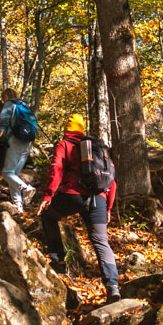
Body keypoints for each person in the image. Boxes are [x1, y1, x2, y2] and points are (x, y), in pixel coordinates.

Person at [38, 113, 120, 302]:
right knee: (100, 241)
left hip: (72, 195)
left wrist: (48, 195)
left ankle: (58, 261)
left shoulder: (64, 145)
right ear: (82, 129)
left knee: (48, 217)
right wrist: (108, 208)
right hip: (98, 199)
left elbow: (56, 169)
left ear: (67, 128)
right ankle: (113, 286)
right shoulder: (96, 148)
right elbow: (112, 182)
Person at [0, 89, 37, 212]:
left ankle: (26, 188)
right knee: (13, 175)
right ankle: (18, 205)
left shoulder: (10, 104)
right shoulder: (25, 107)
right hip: (27, 142)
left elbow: (4, 119)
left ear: (6, 96)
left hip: (14, 140)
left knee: (6, 173)